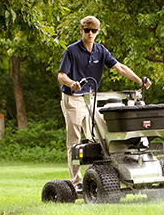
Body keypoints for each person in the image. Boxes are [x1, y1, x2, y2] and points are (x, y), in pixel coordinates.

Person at [58, 16, 151, 190]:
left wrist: (140, 80)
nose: (90, 33)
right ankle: (77, 182)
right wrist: (72, 83)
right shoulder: (71, 51)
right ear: (81, 31)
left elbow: (120, 67)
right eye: (87, 30)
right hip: (74, 98)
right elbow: (61, 75)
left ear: (98, 32)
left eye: (94, 30)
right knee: (75, 141)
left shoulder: (101, 51)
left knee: (100, 136)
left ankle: (102, 175)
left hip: (91, 98)